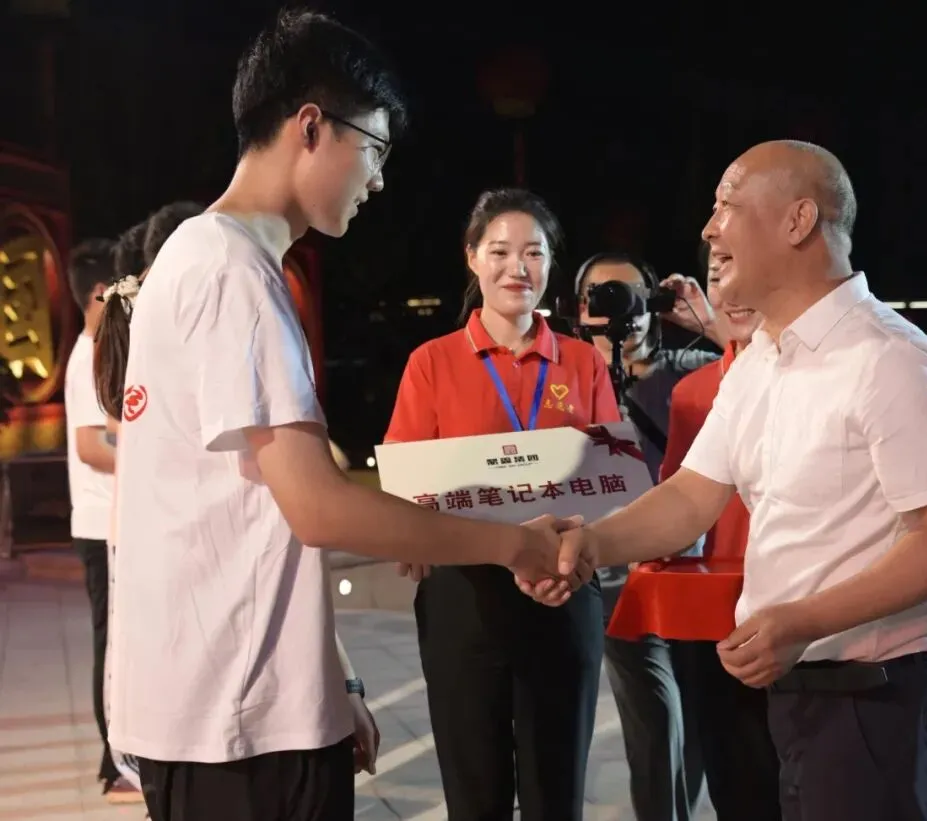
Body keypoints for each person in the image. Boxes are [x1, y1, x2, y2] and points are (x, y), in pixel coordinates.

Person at [104, 13, 582, 821]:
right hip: (238, 729)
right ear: (311, 127)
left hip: (230, 708)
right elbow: (317, 506)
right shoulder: (233, 275)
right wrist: (511, 543)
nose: (378, 179)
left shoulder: (199, 256)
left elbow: (255, 514)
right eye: (375, 148)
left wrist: (334, 679)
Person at [524, 140, 927, 821]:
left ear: (798, 220)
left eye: (727, 206)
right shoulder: (761, 361)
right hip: (795, 695)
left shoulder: (887, 361)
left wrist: (802, 621)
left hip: (878, 703)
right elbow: (692, 495)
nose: (710, 229)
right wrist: (590, 544)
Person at [383, 187, 619, 821]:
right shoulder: (431, 363)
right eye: (500, 251)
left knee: (556, 793)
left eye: (534, 253)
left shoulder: (582, 362)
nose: (518, 267)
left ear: (551, 263)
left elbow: (610, 479)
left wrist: (575, 557)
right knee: (475, 794)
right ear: (472, 258)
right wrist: (410, 534)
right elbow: (405, 483)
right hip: (464, 596)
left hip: (563, 589)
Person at [574, 250, 719, 821]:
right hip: (617, 578)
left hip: (693, 570)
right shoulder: (566, 379)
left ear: (654, 305)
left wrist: (707, 320)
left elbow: (767, 365)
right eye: (602, 298)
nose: (620, 312)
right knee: (655, 715)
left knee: (699, 717)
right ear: (580, 309)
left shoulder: (693, 367)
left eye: (632, 296)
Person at [657, 250, 780, 819]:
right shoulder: (692, 392)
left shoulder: (815, 380)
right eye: (717, 276)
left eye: (741, 269)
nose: (731, 288)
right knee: (738, 784)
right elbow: (675, 506)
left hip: (801, 612)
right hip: (718, 617)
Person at [63, 239, 141, 805]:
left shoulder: (97, 350)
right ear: (99, 292)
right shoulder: (88, 356)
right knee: (110, 645)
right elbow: (90, 447)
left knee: (116, 642)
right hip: (99, 522)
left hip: (109, 518)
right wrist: (153, 457)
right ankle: (113, 765)